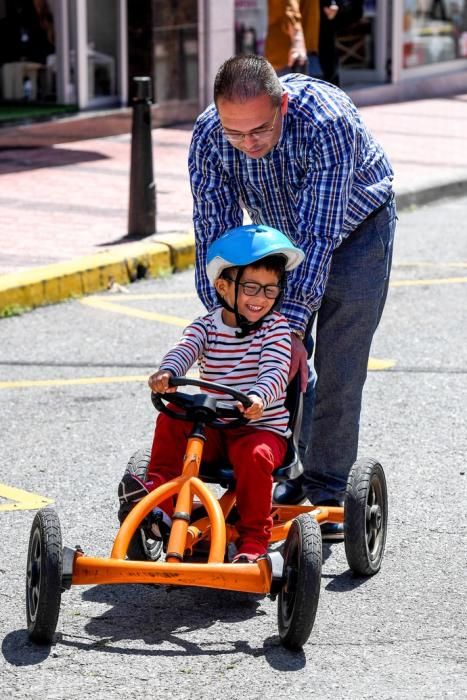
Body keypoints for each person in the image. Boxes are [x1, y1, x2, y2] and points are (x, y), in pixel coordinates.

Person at [188, 54, 396, 536]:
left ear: (281, 105)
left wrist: (290, 328)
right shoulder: (206, 136)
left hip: (356, 227)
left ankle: (327, 485)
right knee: (269, 355)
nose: (247, 144)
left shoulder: (328, 120)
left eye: (258, 130)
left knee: (338, 359)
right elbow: (214, 235)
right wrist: (226, 320)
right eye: (235, 134)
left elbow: (319, 234)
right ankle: (280, 468)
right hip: (276, 237)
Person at [118, 224, 305, 562]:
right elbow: (185, 348)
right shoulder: (206, 326)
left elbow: (276, 370)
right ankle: (158, 506)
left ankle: (252, 543)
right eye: (251, 287)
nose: (260, 298)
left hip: (258, 428)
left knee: (255, 457)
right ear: (223, 286)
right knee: (171, 422)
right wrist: (168, 373)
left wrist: (260, 397)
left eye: (270, 290)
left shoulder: (276, 330)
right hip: (214, 428)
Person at [265, 0, 364, 86]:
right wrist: (297, 39)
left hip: (310, 49)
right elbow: (289, 7)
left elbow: (354, 12)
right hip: (292, 53)